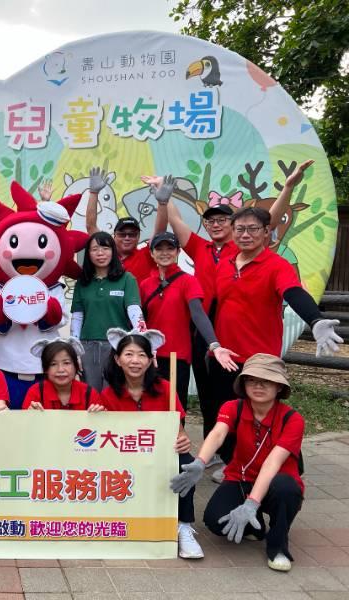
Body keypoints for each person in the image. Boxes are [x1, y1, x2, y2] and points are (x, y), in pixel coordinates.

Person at [148, 163, 313, 470]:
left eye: (223, 219)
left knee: (249, 393)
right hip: (204, 328)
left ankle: (250, 457)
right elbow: (176, 221)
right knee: (213, 394)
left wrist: (287, 188)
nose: (216, 224)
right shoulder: (200, 247)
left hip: (239, 330)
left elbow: (269, 220)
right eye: (211, 220)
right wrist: (164, 195)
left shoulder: (242, 248)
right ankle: (218, 449)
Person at [208, 206, 341, 477]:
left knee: (264, 414)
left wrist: (315, 320)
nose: (245, 235)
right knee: (229, 413)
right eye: (240, 229)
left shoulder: (276, 266)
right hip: (225, 355)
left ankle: (289, 466)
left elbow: (293, 293)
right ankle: (235, 464)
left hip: (259, 359)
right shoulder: (227, 260)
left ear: (267, 232)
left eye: (253, 229)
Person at [170, 354, 305, 572]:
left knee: (286, 489)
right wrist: (199, 463)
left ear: (279, 387)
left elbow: (273, 463)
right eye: (251, 380)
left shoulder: (292, 419)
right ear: (243, 383)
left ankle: (278, 546)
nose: (258, 386)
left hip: (275, 483)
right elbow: (217, 434)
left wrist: (252, 503)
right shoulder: (234, 407)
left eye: (267, 381)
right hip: (240, 478)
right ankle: (256, 526)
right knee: (215, 521)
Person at [97, 328, 203, 560]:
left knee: (186, 464)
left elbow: (179, 431)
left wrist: (183, 440)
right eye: (128, 354)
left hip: (160, 456)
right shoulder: (107, 395)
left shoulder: (165, 388)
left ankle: (184, 526)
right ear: (117, 359)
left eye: (141, 355)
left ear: (150, 359)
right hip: (124, 460)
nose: (135, 361)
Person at [139, 231, 238, 409]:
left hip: (177, 357)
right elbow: (140, 319)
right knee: (148, 406)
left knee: (174, 408)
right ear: (152, 254)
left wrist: (214, 344)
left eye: (170, 248)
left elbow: (198, 313)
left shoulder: (188, 281)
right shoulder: (145, 284)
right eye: (159, 248)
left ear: (178, 252)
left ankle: (177, 437)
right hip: (148, 356)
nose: (164, 253)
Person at [70, 232, 144, 391]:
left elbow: (134, 311)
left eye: (105, 248)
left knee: (114, 394)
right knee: (90, 396)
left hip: (117, 346)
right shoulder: (82, 283)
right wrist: (75, 349)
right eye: (94, 249)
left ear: (113, 251)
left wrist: (143, 340)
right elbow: (77, 317)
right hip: (87, 347)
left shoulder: (127, 279)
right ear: (88, 254)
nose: (100, 253)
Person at [86, 167, 167, 282]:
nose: (127, 238)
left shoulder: (147, 255)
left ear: (139, 237)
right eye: (122, 234)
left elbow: (160, 232)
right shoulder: (106, 255)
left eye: (132, 234)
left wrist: (162, 202)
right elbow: (91, 226)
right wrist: (93, 193)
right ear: (114, 236)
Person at [24, 338, 99, 410]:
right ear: (45, 368)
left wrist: (97, 414)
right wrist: (31, 415)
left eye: (66, 363)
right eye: (53, 364)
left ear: (76, 366)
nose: (60, 370)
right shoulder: (36, 392)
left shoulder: (89, 394)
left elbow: (101, 421)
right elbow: (25, 421)